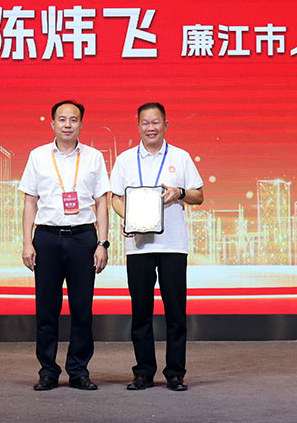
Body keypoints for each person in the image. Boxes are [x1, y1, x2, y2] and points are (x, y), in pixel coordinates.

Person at [110, 102, 204, 391]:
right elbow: (116, 198)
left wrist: (180, 192)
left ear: (165, 125)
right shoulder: (125, 160)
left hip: (173, 245)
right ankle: (143, 372)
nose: (150, 128)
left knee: (176, 311)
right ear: (138, 126)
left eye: (156, 122)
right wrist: (129, 219)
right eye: (145, 123)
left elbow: (199, 196)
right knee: (141, 311)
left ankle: (175, 372)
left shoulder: (181, 157)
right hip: (139, 246)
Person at [19, 100, 110, 391]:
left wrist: (102, 243)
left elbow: (102, 202)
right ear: (52, 124)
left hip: (83, 238)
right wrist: (27, 243)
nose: (67, 124)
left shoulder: (94, 157)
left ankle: (78, 371)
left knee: (82, 308)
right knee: (47, 308)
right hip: (46, 238)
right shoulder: (38, 156)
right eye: (62, 119)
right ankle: (48, 371)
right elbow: (30, 202)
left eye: (73, 119)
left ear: (81, 124)